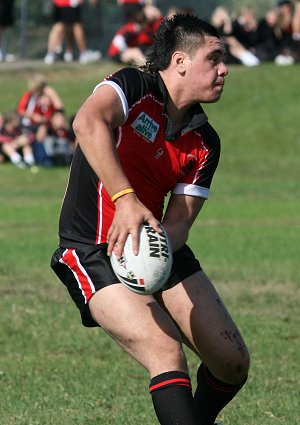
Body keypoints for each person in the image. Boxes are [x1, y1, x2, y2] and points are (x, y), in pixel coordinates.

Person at [51, 13, 250, 425]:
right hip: (92, 247)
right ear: (179, 61)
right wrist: (125, 199)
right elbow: (87, 123)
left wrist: (152, 248)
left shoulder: (204, 141)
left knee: (231, 361)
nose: (224, 68)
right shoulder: (133, 86)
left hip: (154, 244)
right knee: (165, 349)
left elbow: (179, 223)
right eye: (214, 58)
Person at [17, 73, 65, 166]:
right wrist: (33, 116)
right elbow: (21, 110)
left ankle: (51, 157)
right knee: (42, 130)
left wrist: (52, 95)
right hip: (29, 124)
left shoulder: (46, 96)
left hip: (45, 124)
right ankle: (42, 158)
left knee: (48, 128)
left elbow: (59, 108)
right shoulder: (29, 95)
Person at [44, 0, 101, 65]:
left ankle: (62, 53)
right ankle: (83, 53)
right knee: (73, 26)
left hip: (63, 3)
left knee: (67, 26)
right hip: (67, 3)